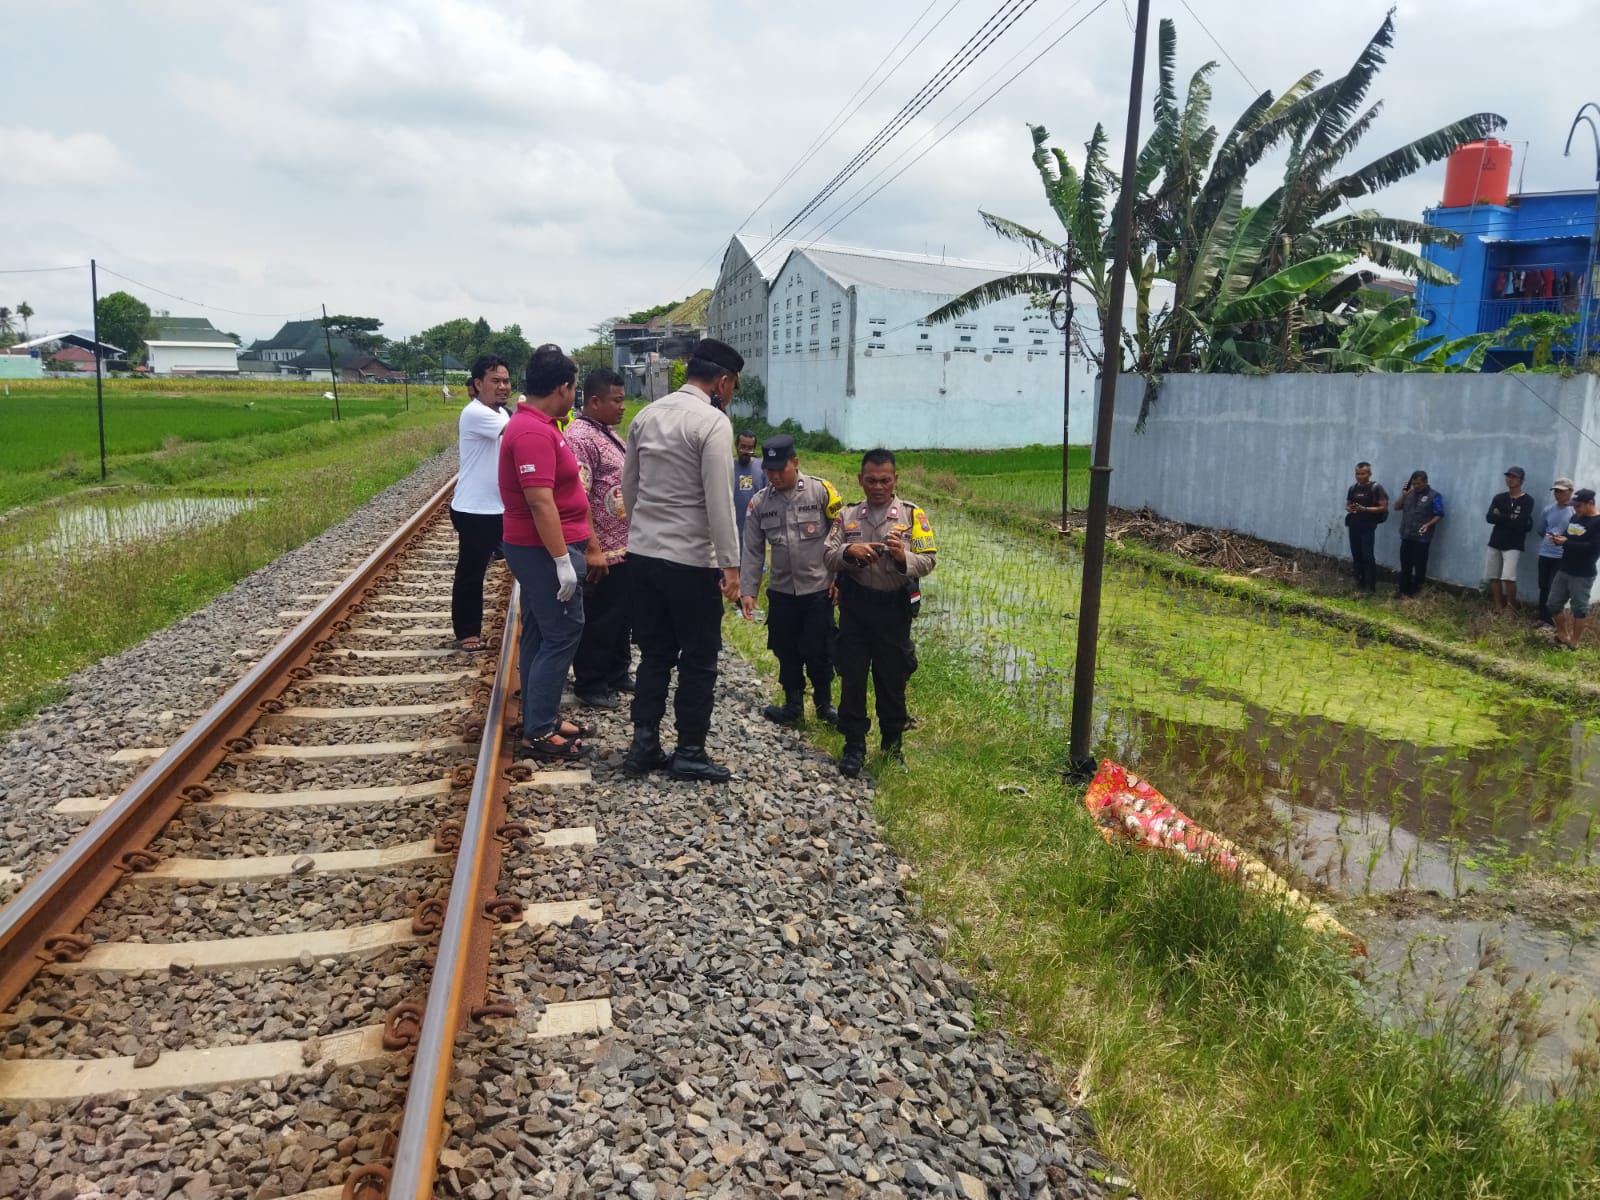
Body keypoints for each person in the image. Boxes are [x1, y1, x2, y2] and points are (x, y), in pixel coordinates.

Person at [620, 338, 743, 783]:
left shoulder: (646, 415)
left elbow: (629, 486)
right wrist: (732, 567)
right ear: (723, 381)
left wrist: (642, 532)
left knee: (654, 653)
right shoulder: (712, 423)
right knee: (698, 657)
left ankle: (644, 745)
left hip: (644, 555)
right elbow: (720, 501)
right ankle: (690, 750)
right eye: (733, 387)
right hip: (690, 560)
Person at [497, 346, 607, 762]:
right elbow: (540, 501)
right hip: (542, 549)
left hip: (544, 547)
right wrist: (563, 561)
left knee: (542, 632)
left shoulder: (540, 424)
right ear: (563, 387)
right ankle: (539, 731)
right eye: (574, 388)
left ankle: (539, 714)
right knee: (562, 633)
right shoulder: (531, 432)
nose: (573, 395)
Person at [824, 449, 937, 778]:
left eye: (884, 480)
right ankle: (853, 745)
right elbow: (828, 554)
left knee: (892, 679)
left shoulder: (912, 515)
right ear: (860, 480)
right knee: (853, 677)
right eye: (871, 480)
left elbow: (928, 559)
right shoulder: (847, 516)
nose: (877, 486)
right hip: (856, 608)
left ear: (895, 480)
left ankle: (892, 745)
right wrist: (850, 551)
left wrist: (903, 557)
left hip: (893, 610)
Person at [739, 434, 844, 726]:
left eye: (779, 469)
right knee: (786, 649)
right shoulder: (760, 503)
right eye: (768, 471)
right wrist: (748, 590)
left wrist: (840, 578)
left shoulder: (822, 491)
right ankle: (793, 705)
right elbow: (752, 549)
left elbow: (843, 534)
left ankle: (824, 705)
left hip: (818, 590)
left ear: (795, 463)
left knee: (820, 649)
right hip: (782, 592)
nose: (773, 476)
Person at [566, 367, 632, 708]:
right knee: (600, 619)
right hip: (601, 549)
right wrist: (592, 547)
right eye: (616, 400)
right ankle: (591, 683)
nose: (623, 406)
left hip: (622, 546)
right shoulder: (580, 437)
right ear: (594, 401)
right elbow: (579, 496)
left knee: (620, 616)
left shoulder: (605, 432)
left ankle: (616, 672)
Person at [449, 355, 512, 651]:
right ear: (477, 384)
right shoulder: (476, 413)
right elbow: (516, 434)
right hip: (476, 509)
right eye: (495, 381)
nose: (502, 387)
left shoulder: (501, 413)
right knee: (472, 572)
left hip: (500, 506)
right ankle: (467, 631)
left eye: (506, 381)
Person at [1547, 487, 1600, 651]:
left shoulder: (1598, 522)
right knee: (1553, 604)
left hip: (1582, 573)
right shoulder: (1576, 517)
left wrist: (1566, 543)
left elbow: (1592, 547)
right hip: (1564, 568)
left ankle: (1575, 642)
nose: (1575, 509)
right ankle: (1563, 634)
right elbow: (1568, 535)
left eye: (1578, 505)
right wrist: (1557, 538)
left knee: (1579, 609)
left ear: (1590, 503)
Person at [1484, 466, 1535, 614]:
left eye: (1514, 477)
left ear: (1521, 480)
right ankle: (1498, 607)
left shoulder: (1527, 500)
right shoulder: (1499, 497)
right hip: (1495, 541)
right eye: (1508, 476)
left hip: (1514, 543)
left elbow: (1520, 523)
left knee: (1508, 578)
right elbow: (1489, 517)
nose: (1510, 479)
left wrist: (1501, 516)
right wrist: (1510, 516)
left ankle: (1511, 609)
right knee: (1493, 576)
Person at [1393, 470, 1444, 597]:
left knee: (1419, 565)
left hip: (1422, 538)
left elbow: (1439, 514)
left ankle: (1416, 591)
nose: (1416, 486)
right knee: (1405, 564)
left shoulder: (1434, 495)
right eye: (1414, 484)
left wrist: (1428, 524)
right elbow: (1396, 507)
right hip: (1406, 534)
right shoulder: (1409, 494)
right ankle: (1403, 589)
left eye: (1419, 484)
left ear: (1426, 482)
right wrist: (1404, 495)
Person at [1535, 477, 1577, 628]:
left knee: (1554, 587)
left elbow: (1577, 534)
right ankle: (1542, 616)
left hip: (1562, 555)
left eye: (1561, 491)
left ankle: (1553, 620)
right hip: (1545, 552)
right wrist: (1550, 540)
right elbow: (1541, 530)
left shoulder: (1574, 511)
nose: (1557, 494)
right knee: (1543, 585)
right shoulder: (1548, 509)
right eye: (1556, 491)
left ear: (1570, 492)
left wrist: (1564, 541)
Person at [1343, 461, 1388, 593]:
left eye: (1362, 474)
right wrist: (1350, 509)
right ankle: (1359, 583)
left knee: (1367, 556)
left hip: (1368, 526)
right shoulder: (1353, 488)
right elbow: (1348, 504)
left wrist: (1365, 509)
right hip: (1354, 524)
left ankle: (1370, 586)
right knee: (1356, 555)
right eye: (1357, 473)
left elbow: (1383, 507)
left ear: (1369, 474)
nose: (1359, 476)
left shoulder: (1376, 488)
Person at [734, 430, 767, 539]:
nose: (746, 451)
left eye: (750, 448)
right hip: (733, 527)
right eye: (742, 447)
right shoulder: (728, 467)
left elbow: (767, 496)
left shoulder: (762, 467)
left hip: (756, 527)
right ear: (736, 446)